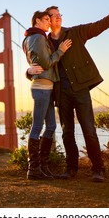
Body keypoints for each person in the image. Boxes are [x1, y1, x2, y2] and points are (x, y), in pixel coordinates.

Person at [29, 0, 109, 182]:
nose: (58, 17)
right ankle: (71, 168)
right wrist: (28, 71)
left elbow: (98, 26)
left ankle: (98, 169)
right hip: (60, 93)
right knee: (67, 133)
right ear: (47, 20)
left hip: (80, 89)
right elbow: (38, 62)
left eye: (59, 14)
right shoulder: (44, 41)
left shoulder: (75, 32)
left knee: (89, 130)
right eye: (53, 15)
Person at [22, 10, 72, 180]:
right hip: (41, 88)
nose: (49, 23)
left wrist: (28, 71)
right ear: (37, 20)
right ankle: (33, 169)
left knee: (51, 126)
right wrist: (61, 50)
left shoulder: (32, 37)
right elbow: (46, 62)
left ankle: (43, 166)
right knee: (37, 127)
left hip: (47, 88)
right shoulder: (38, 37)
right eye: (46, 19)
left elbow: (36, 63)